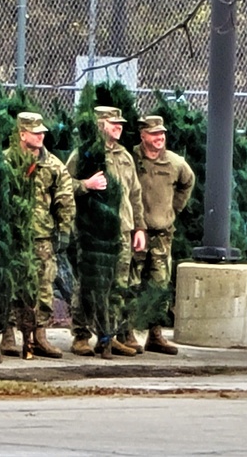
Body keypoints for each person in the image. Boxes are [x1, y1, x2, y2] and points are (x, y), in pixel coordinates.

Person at [65, 106, 146, 358]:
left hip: (121, 230)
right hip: (93, 233)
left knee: (117, 286)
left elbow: (135, 194)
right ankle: (81, 335)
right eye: (113, 123)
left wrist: (139, 227)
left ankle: (107, 336)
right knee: (89, 284)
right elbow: (64, 184)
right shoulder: (85, 154)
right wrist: (85, 185)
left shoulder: (124, 156)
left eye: (120, 123)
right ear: (101, 125)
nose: (119, 127)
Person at [1, 112, 75, 359]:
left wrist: (64, 230)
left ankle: (39, 336)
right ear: (22, 134)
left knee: (44, 286)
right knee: (11, 286)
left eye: (42, 132)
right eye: (35, 132)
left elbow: (65, 199)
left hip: (42, 237)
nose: (41, 135)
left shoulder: (53, 165)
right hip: (14, 235)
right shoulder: (7, 162)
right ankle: (8, 334)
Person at [132, 115, 194, 355]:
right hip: (136, 233)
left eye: (162, 134)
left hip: (161, 234)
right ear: (143, 135)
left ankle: (155, 335)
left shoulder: (175, 163)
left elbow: (187, 183)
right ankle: (127, 333)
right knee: (132, 283)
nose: (159, 138)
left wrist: (173, 210)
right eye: (154, 134)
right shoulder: (132, 159)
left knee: (159, 284)